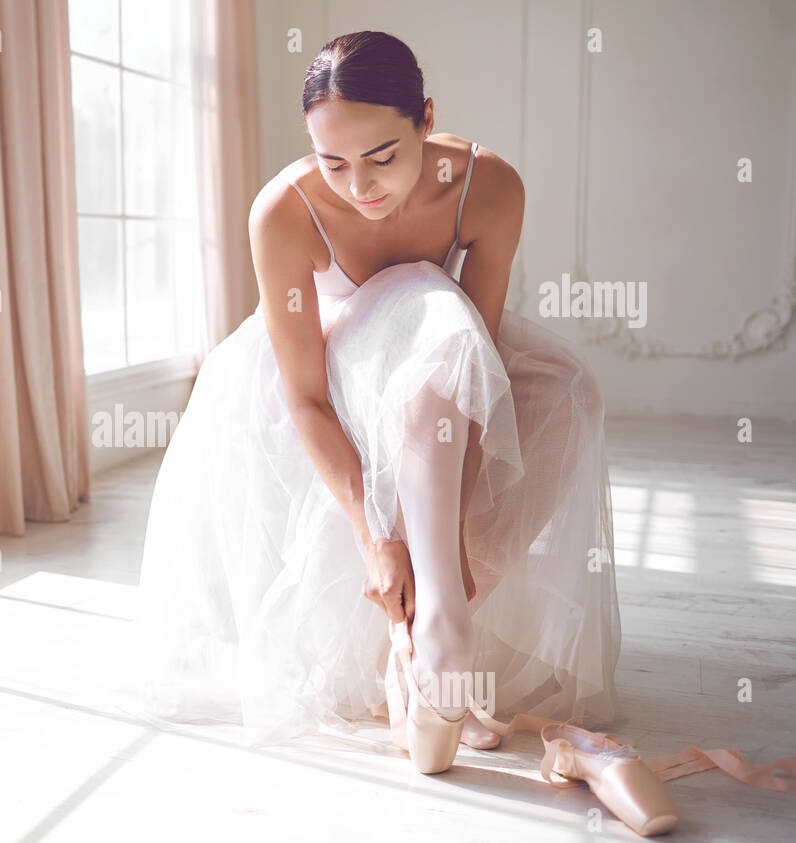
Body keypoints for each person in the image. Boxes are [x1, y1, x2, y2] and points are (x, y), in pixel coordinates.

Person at [117, 30, 622, 764]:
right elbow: (307, 398)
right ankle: (433, 637)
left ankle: (433, 632)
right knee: (430, 307)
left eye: (384, 156)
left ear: (425, 117)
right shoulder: (283, 212)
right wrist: (377, 539)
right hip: (320, 377)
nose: (360, 187)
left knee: (563, 387)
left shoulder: (489, 186)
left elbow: (472, 367)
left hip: (438, 370)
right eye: (333, 163)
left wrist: (448, 536)